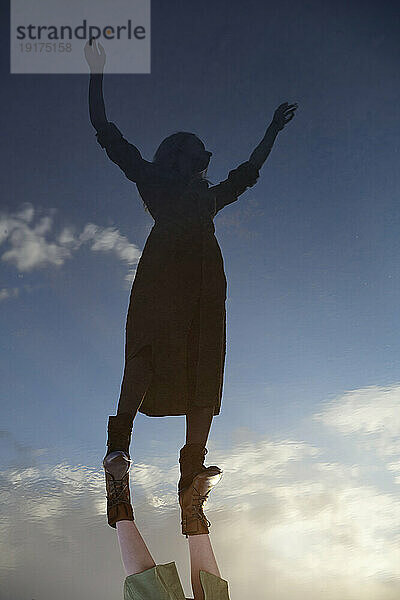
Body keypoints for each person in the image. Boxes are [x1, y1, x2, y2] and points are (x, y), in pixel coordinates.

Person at [84, 38, 297, 600]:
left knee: (207, 373)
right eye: (200, 148)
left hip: (207, 286)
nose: (208, 154)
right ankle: (116, 456)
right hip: (164, 280)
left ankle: (189, 482)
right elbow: (108, 136)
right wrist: (96, 76)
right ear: (182, 154)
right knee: (147, 359)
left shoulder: (207, 200)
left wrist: (273, 131)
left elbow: (246, 175)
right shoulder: (156, 184)